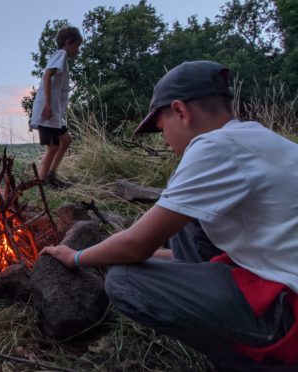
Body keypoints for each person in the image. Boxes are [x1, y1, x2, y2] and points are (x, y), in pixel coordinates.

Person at [39, 61, 298, 370]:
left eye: (162, 129)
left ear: (180, 111)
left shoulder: (214, 147)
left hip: (288, 315)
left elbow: (136, 245)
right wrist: (130, 253)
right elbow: (163, 249)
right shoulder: (263, 140)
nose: (164, 140)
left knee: (124, 281)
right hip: (277, 276)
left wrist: (76, 257)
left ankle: (252, 364)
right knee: (187, 222)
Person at [29, 26, 82, 189]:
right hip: (48, 111)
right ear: (68, 42)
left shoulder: (63, 58)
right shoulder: (61, 54)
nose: (78, 50)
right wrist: (47, 104)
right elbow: (47, 75)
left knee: (65, 140)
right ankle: (42, 182)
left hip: (54, 112)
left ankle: (51, 175)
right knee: (52, 146)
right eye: (77, 46)